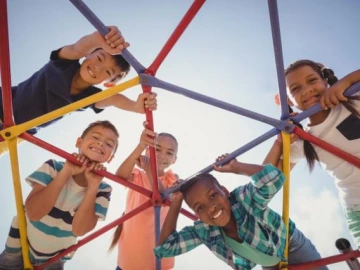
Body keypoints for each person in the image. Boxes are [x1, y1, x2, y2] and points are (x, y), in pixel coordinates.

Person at [0, 26, 157, 156]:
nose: (98, 68)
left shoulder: (89, 97)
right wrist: (97, 39)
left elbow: (114, 99)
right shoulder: (63, 63)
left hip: (13, 133)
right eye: (99, 58)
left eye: (108, 72)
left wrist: (136, 106)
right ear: (89, 53)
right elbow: (77, 48)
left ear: (109, 83)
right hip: (4, 104)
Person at [154, 154, 327, 270]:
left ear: (225, 191)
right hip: (270, 265)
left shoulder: (243, 200)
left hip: (292, 247)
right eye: (200, 208)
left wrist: (237, 167)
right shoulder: (204, 231)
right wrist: (176, 203)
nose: (211, 207)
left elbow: (274, 179)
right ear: (197, 215)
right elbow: (165, 249)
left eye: (213, 195)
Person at [263, 60, 360, 246]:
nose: (306, 90)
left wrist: (346, 82)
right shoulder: (301, 140)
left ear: (325, 81)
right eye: (296, 89)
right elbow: (266, 181)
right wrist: (278, 142)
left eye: (312, 80)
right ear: (287, 101)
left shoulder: (352, 100)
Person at [0, 120, 120, 269]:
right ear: (79, 142)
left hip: (55, 258)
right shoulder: (54, 167)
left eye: (109, 144)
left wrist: (93, 185)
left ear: (111, 158)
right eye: (95, 137)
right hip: (19, 245)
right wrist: (66, 172)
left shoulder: (103, 188)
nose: (101, 143)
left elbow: (80, 230)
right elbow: (34, 213)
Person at [110, 124, 178, 270]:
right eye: (157, 149)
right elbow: (119, 175)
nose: (162, 155)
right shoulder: (138, 175)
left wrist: (149, 169)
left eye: (169, 153)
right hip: (130, 260)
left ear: (174, 159)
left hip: (159, 263)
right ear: (148, 150)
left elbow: (165, 199)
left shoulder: (172, 178)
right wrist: (141, 145)